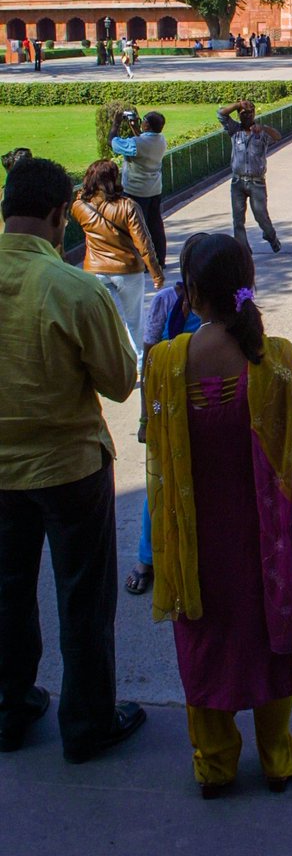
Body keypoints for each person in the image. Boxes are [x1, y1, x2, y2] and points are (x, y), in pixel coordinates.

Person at [145, 234, 292, 796]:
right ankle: (278, 757)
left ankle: (214, 763)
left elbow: (156, 447)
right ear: (247, 282)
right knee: (268, 640)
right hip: (265, 543)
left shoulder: (164, 362)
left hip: (196, 542)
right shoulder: (276, 358)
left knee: (203, 644)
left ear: (192, 292)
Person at [0, 157, 144, 762]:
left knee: (6, 593)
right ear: (62, 216)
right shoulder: (71, 288)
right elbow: (118, 382)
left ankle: (10, 708)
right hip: (70, 470)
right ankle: (85, 725)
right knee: (83, 598)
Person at [125, 234, 206, 596]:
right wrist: (145, 419)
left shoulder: (227, 303)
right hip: (167, 407)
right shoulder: (166, 302)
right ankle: (148, 559)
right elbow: (150, 361)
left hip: (209, 408)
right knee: (159, 484)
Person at [71, 160, 163, 365]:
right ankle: (140, 362)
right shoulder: (128, 206)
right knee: (135, 321)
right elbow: (144, 243)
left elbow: (79, 200)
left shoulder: (79, 207)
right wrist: (156, 273)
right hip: (128, 269)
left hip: (95, 271)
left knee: (108, 323)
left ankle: (110, 363)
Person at [217, 99, 282, 254]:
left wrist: (264, 128)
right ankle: (243, 249)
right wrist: (238, 104)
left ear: (254, 113)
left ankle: (271, 236)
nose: (246, 116)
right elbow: (221, 114)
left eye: (249, 113)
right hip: (238, 181)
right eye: (242, 113)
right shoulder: (234, 130)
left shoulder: (261, 132)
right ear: (238, 115)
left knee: (261, 216)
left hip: (256, 182)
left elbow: (278, 136)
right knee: (238, 220)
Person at [109, 109, 168, 266]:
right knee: (155, 224)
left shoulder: (137, 144)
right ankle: (159, 259)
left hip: (136, 191)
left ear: (147, 125)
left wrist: (116, 123)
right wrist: (135, 129)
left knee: (138, 228)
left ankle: (143, 262)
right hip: (154, 189)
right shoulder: (161, 140)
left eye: (144, 121)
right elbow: (143, 142)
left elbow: (113, 143)